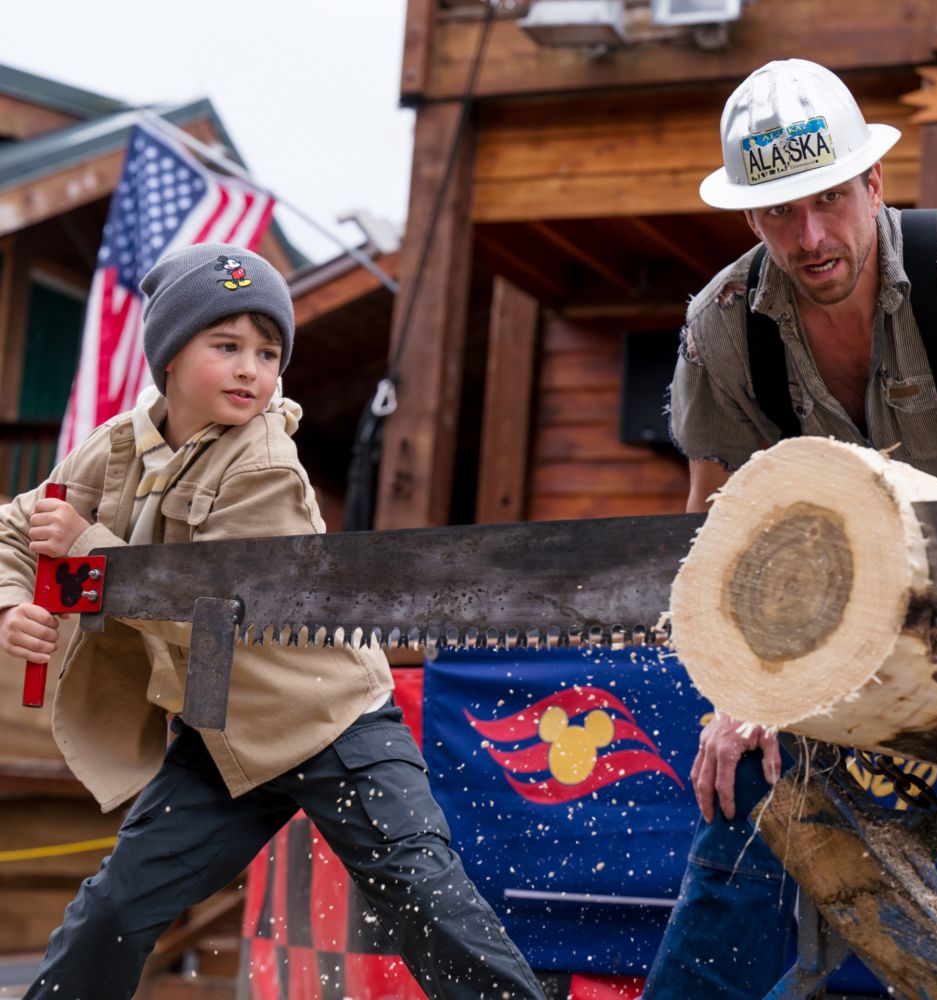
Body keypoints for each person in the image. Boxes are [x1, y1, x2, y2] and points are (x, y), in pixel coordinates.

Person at [0, 243, 546, 1000]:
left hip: (333, 727)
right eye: (226, 346)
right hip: (221, 737)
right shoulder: (118, 445)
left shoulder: (266, 466)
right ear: (167, 356)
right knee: (114, 909)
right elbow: (20, 525)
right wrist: (13, 604)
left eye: (267, 353)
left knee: (427, 903)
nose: (250, 369)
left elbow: (215, 616)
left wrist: (87, 551)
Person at [642, 58, 937, 999]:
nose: (810, 237)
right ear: (749, 217)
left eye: (830, 199)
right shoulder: (725, 327)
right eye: (778, 214)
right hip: (841, 645)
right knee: (747, 793)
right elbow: (715, 522)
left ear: (873, 181)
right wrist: (735, 693)